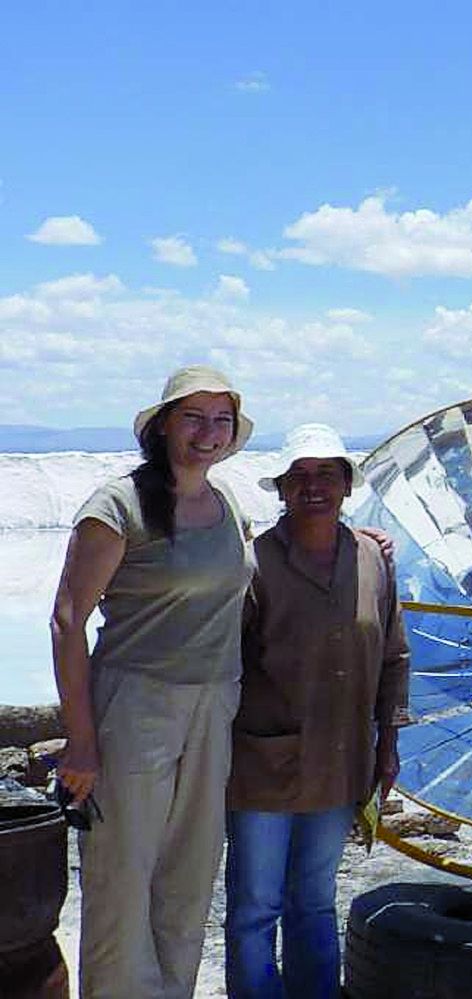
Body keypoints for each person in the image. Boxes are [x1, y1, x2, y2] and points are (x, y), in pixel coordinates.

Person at [50, 365, 257, 998]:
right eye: (193, 417)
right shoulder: (118, 507)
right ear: (163, 425)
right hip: (136, 703)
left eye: (220, 419)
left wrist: (364, 541)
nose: (208, 432)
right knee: (122, 875)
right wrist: (81, 742)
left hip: (214, 703)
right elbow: (67, 621)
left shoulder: (227, 503)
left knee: (189, 874)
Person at [224, 424, 409, 998]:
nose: (313, 487)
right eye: (299, 476)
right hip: (263, 769)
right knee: (256, 906)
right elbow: (224, 666)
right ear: (281, 489)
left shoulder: (373, 560)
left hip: (340, 764)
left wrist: (387, 746)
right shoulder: (253, 564)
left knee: (314, 901)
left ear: (348, 486)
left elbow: (394, 657)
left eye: (327, 474)